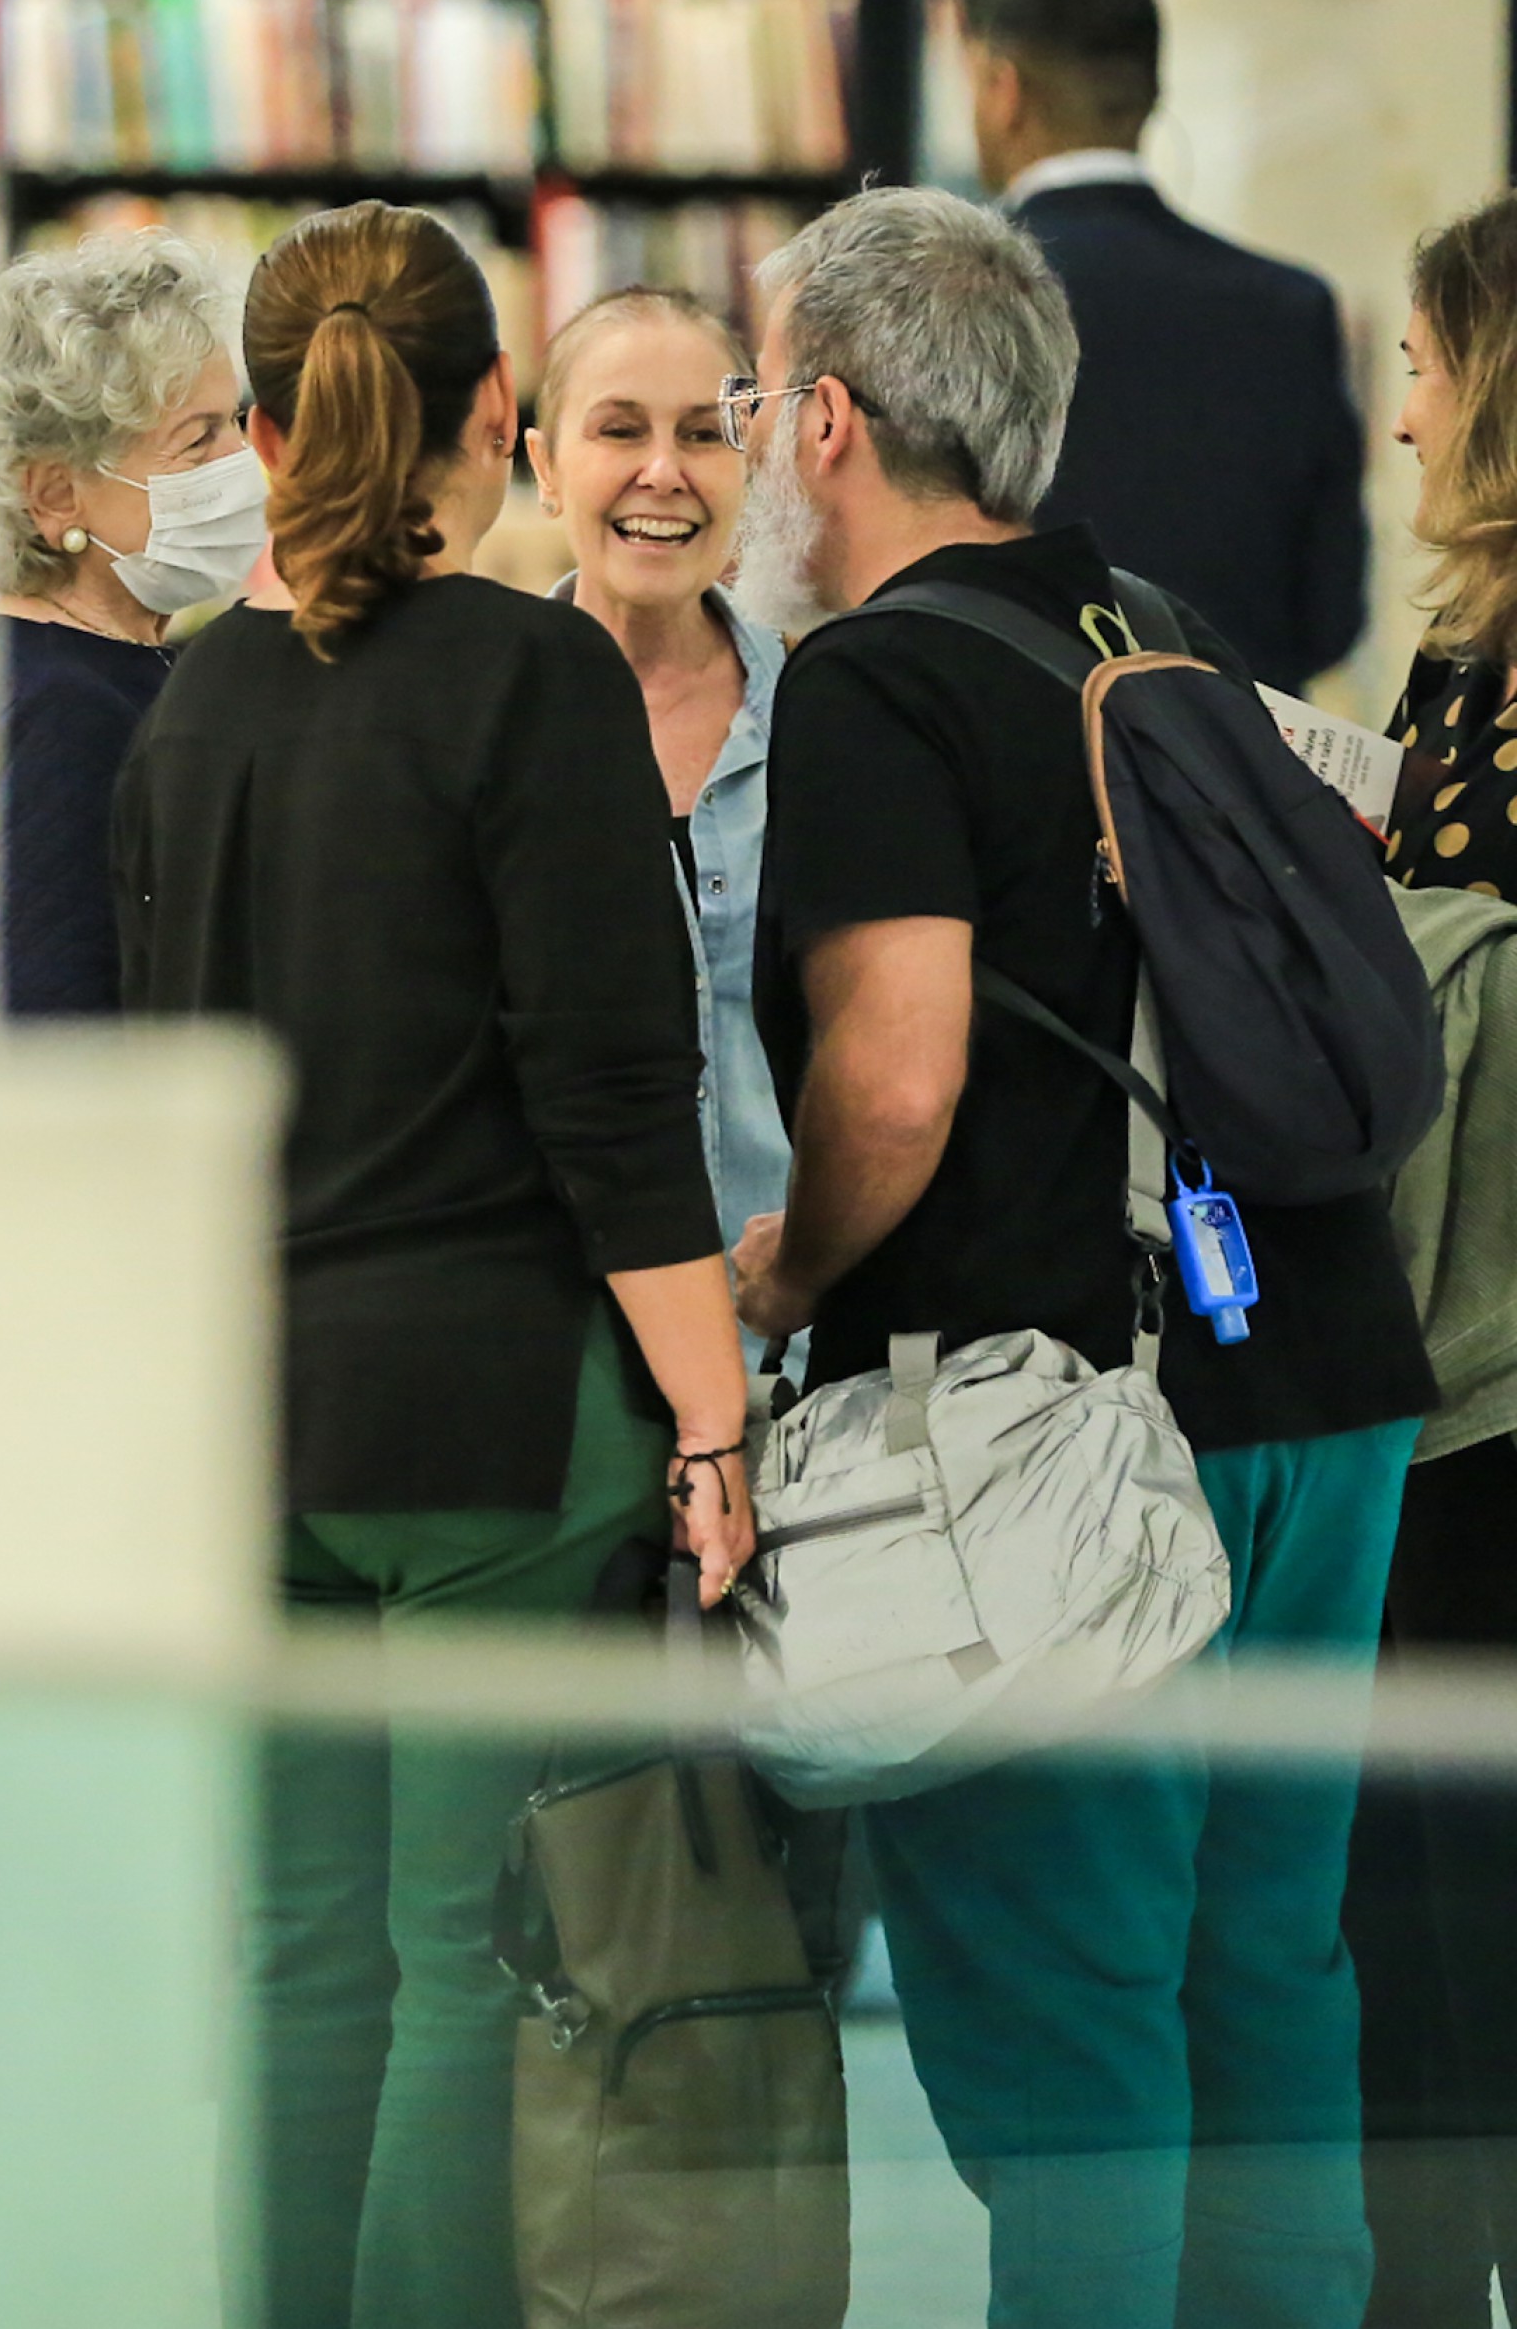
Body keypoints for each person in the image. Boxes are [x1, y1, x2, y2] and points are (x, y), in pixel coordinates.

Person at [726, 182, 1434, 2329]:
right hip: (1318, 1375)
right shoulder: (1154, 625)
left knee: (1077, 2030)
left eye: (761, 399)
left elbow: (898, 1077)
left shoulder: (874, 681)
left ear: (833, 422)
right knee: (1267, 1969)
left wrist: (781, 1273)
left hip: (1065, 1425)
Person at [110, 201, 754, 2329]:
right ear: (501, 411)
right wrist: (713, 1410)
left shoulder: (192, 705)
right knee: (461, 1961)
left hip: (246, 1412)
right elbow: (608, 1094)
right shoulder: (531, 672)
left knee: (296, 1956)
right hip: (485, 1412)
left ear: (269, 427)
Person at [1351, 191, 1517, 2325]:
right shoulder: (1461, 657)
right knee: (1409, 1892)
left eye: (1418, 363)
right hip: (1436, 1349)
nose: (1398, 420)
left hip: (1490, 1355)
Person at [526, 287, 796, 1371]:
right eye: (619, 429)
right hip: (571, 1377)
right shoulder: (471, 741)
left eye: (704, 434)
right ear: (545, 469)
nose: (664, 472)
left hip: (817, 1370)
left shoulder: (840, 725)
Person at [972, 0, 1369, 694]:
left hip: (1013, 775)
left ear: (1003, 90)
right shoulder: (1290, 309)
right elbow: (1330, 617)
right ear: (1151, 97)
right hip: (1240, 780)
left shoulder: (954, 303)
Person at [0, 227, 267, 1013]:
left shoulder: (71, 664)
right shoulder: (68, 713)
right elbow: (63, 1023)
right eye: (197, 437)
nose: (242, 459)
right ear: (55, 496)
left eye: (234, 419)